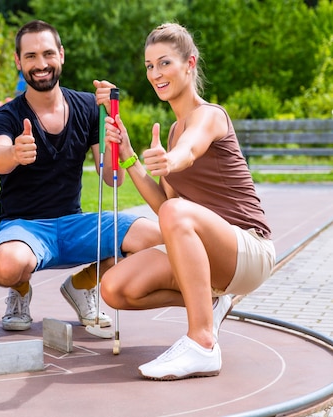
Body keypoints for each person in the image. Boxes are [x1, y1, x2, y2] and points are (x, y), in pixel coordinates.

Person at [94, 22, 275, 380]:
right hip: (210, 253)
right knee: (114, 288)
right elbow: (166, 207)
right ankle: (209, 303)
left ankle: (202, 343)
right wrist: (129, 156)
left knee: (176, 214)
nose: (155, 74)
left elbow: (189, 151)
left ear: (189, 64)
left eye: (164, 63)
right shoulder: (173, 130)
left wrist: (171, 161)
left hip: (248, 249)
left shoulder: (209, 116)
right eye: (149, 66)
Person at [0, 20, 162, 331]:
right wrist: (14, 153)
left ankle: (81, 285)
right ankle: (20, 289)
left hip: (75, 225)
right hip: (24, 229)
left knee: (156, 238)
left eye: (48, 54)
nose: (41, 64)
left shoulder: (88, 107)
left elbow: (113, 180)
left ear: (62, 55)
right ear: (18, 61)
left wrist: (117, 138)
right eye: (30, 56)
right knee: (6, 267)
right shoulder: (8, 115)